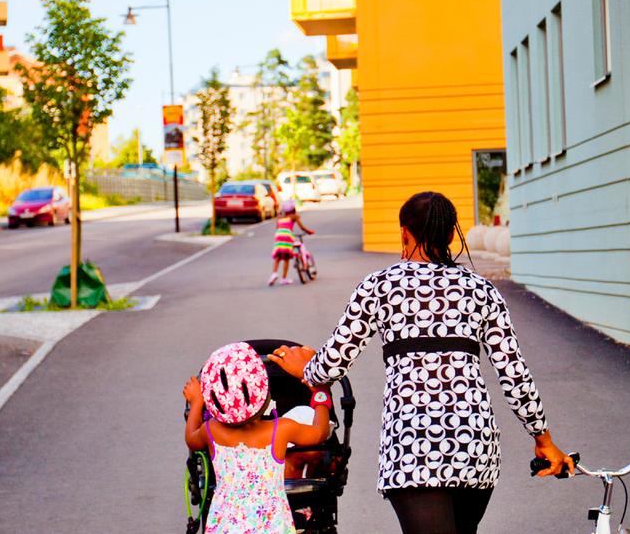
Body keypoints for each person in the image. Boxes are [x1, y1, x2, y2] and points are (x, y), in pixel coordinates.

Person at [270, 191, 575, 534]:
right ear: (450, 236)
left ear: (404, 233)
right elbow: (514, 375)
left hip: (412, 447)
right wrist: (543, 439)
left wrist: (306, 369)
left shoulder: (379, 286)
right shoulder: (482, 290)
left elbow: (333, 365)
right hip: (473, 445)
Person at [183, 342, 331, 533]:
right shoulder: (281, 430)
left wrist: (196, 402)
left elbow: (191, 440)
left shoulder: (211, 430)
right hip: (271, 526)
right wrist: (321, 394)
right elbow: (320, 433)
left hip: (226, 526)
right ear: (266, 396)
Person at [268, 199, 314, 286]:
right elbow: (302, 227)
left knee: (278, 256)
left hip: (278, 235)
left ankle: (274, 273)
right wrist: (309, 231)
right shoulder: (294, 216)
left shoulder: (279, 218)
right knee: (286, 258)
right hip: (287, 235)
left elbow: (278, 228)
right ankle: (283, 279)